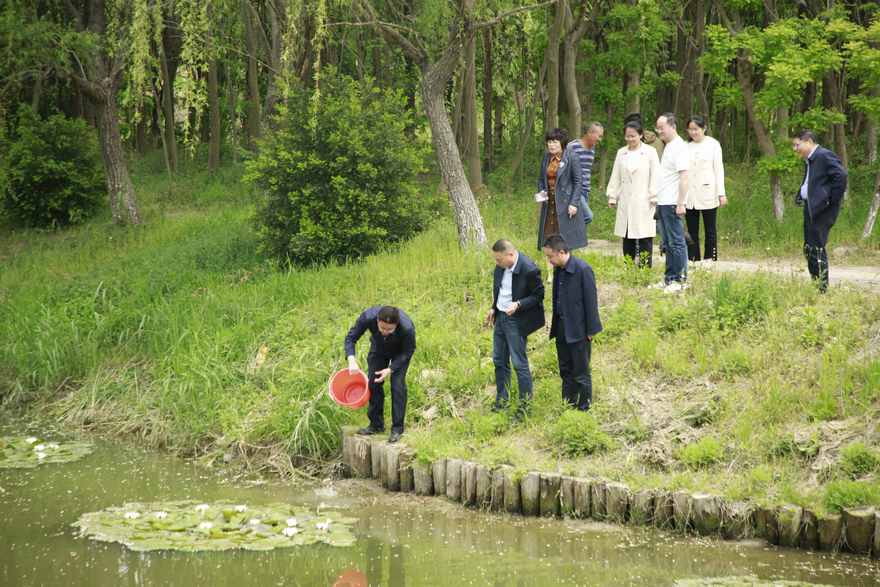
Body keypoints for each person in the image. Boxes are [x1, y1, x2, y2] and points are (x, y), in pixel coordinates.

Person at [485, 239, 545, 419]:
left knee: (519, 363)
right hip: (500, 317)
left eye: (499, 259)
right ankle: (502, 401)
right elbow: (500, 290)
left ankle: (525, 407)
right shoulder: (501, 266)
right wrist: (493, 308)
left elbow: (539, 295)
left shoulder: (529, 269)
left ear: (510, 255)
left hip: (516, 320)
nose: (497, 263)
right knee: (499, 360)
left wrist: (519, 304)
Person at [542, 235, 602, 411]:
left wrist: (591, 330)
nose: (549, 261)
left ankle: (584, 407)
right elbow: (557, 299)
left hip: (579, 330)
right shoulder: (558, 270)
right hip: (562, 327)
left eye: (550, 256)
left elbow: (591, 302)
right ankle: (568, 403)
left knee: (581, 371)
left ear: (561, 252)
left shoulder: (583, 270)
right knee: (565, 369)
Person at [345, 305, 416, 443]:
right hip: (378, 349)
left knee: (397, 386)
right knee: (373, 383)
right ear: (377, 320)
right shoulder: (368, 317)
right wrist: (351, 360)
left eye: (390, 329)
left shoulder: (407, 328)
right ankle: (376, 425)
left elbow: (408, 351)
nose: (385, 332)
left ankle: (397, 429)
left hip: (400, 353)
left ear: (396, 325)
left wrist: (390, 369)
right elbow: (351, 338)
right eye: (382, 328)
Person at [792, 130, 847, 293]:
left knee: (816, 247)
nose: (795, 149)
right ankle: (816, 284)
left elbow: (841, 176)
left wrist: (830, 200)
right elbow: (813, 182)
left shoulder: (823, 155)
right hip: (811, 208)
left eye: (797, 145)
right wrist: (801, 194)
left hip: (822, 210)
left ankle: (822, 289)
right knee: (809, 248)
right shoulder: (810, 159)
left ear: (808, 141)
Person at [606, 120, 661, 268]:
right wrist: (612, 195)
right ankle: (629, 266)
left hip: (645, 199)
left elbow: (656, 175)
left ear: (641, 135)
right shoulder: (621, 152)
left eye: (633, 136)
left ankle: (645, 268)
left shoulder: (650, 152)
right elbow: (616, 175)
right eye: (627, 136)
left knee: (644, 235)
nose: (630, 139)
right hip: (626, 199)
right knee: (627, 234)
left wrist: (654, 195)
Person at [654, 113, 690, 293]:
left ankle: (680, 280)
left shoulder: (680, 147)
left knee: (676, 242)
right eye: (657, 128)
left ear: (673, 126)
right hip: (663, 201)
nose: (659, 131)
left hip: (673, 203)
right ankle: (669, 279)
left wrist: (681, 203)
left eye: (662, 128)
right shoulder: (668, 146)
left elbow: (685, 177)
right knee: (667, 243)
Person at [536, 128, 587, 255]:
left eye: (555, 142)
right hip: (549, 203)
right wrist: (541, 195)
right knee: (548, 237)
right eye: (549, 142)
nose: (551, 145)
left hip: (566, 203)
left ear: (562, 143)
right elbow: (541, 180)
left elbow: (578, 181)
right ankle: (550, 265)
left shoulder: (572, 156)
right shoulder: (546, 158)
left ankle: (566, 264)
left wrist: (574, 203)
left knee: (565, 239)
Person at [685, 116, 727, 263]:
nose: (693, 132)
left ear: (704, 129)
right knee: (692, 230)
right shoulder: (686, 146)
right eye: (690, 129)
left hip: (709, 191)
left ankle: (710, 259)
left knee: (710, 229)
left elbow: (719, 170)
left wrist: (721, 193)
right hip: (690, 194)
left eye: (696, 129)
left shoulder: (713, 145)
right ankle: (693, 259)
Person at [566, 122, 606, 242]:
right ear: (589, 133)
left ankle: (572, 243)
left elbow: (586, 170)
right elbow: (563, 168)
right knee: (588, 216)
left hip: (585, 190)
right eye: (599, 136)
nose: (600, 139)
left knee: (576, 217)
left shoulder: (592, 148)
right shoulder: (572, 146)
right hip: (574, 190)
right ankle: (565, 236)